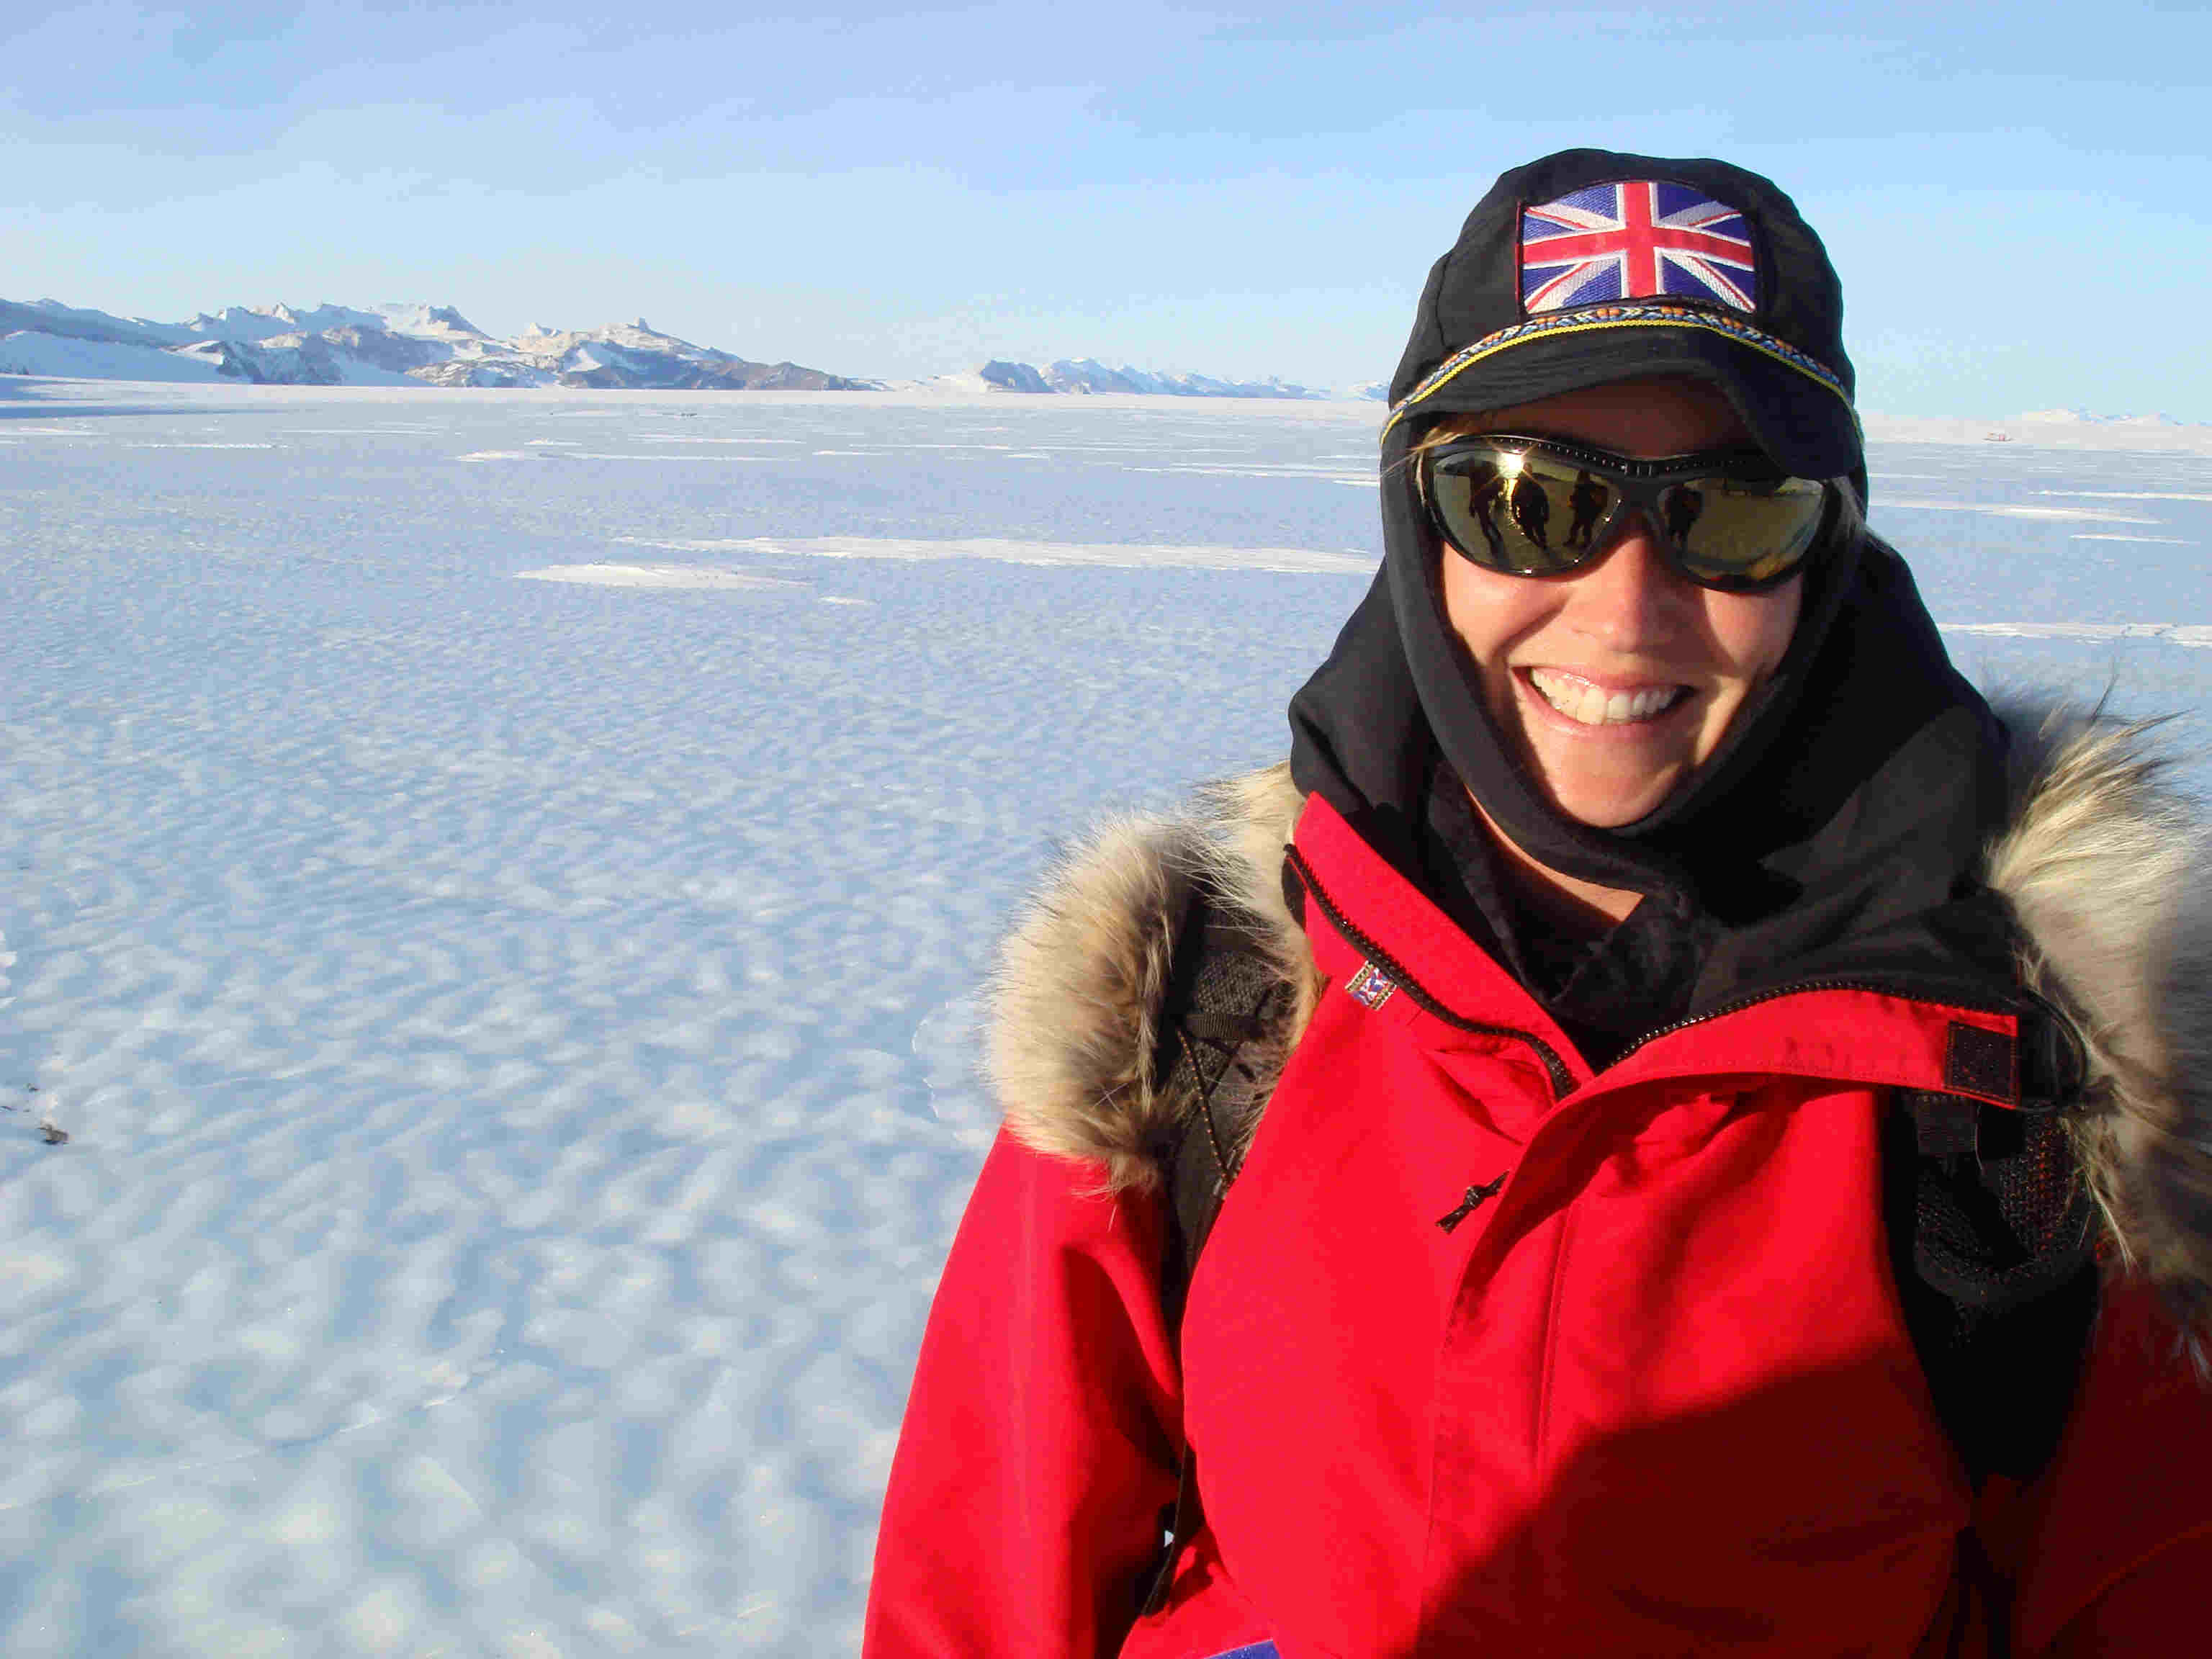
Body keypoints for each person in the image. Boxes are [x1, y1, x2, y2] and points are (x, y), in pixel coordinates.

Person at [863, 149, 2212, 1657]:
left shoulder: (2050, 1066)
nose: (1627, 612)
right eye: (1529, 502)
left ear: (1824, 551)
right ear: (1418, 522)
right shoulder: (1205, 995)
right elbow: (993, 1575)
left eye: (1732, 516)